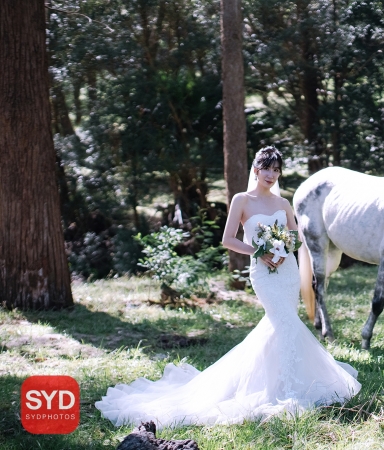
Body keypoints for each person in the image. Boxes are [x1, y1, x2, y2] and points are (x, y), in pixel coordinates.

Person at [96, 146, 361, 428]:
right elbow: (228, 240)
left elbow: (296, 239)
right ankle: (282, 389)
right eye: (266, 169)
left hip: (287, 271)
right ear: (256, 170)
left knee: (282, 325)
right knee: (282, 322)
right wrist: (260, 252)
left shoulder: (283, 204)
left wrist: (283, 251)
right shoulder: (241, 200)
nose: (271, 175)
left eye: (276, 170)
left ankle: (286, 383)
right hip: (263, 272)